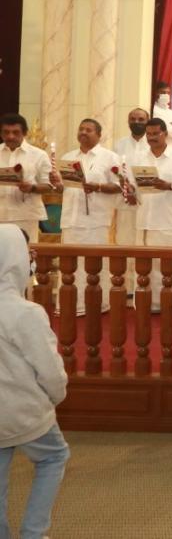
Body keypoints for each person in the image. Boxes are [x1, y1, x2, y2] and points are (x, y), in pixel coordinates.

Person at [0, 224, 70, 539]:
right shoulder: (25, 313)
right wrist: (55, 397)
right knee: (54, 457)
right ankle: (33, 532)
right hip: (25, 411)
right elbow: (50, 371)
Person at [54, 119, 122, 316]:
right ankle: (69, 304)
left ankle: (95, 304)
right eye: (81, 129)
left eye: (88, 130)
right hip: (70, 218)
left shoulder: (110, 157)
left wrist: (98, 187)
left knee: (93, 264)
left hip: (95, 220)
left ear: (99, 135)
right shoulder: (68, 157)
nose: (83, 132)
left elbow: (120, 186)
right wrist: (57, 185)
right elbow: (63, 188)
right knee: (69, 264)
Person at [125, 118, 172, 309]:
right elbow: (132, 183)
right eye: (149, 134)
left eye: (156, 134)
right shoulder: (139, 157)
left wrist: (169, 185)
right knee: (145, 265)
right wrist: (130, 192)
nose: (152, 137)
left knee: (171, 265)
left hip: (168, 220)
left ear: (165, 134)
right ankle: (146, 303)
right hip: (145, 219)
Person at [0, 113, 51, 242]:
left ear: (25, 133)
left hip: (26, 216)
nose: (10, 136)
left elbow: (49, 186)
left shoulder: (39, 155)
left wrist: (32, 188)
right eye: (6, 132)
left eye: (15, 132)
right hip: (1, 214)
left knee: (26, 251)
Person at [113, 108, 150, 245]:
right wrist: (126, 189)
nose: (136, 122)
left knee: (147, 240)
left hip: (148, 198)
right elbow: (115, 170)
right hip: (125, 198)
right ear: (128, 122)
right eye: (133, 119)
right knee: (125, 237)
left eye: (141, 119)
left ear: (148, 121)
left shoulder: (153, 143)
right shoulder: (119, 144)